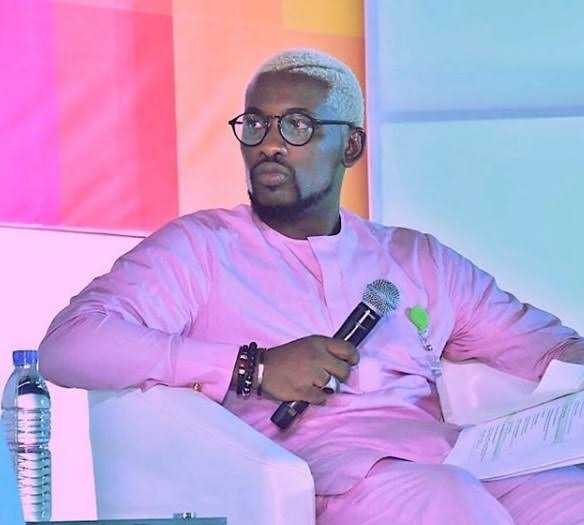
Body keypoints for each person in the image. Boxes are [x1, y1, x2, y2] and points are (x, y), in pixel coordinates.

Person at [39, 49, 584, 524]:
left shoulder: (416, 258)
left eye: (296, 126)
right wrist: (253, 366)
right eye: (256, 125)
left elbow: (547, 347)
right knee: (448, 502)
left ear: (351, 146)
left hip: (453, 460)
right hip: (332, 481)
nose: (269, 145)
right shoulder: (202, 247)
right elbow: (70, 345)